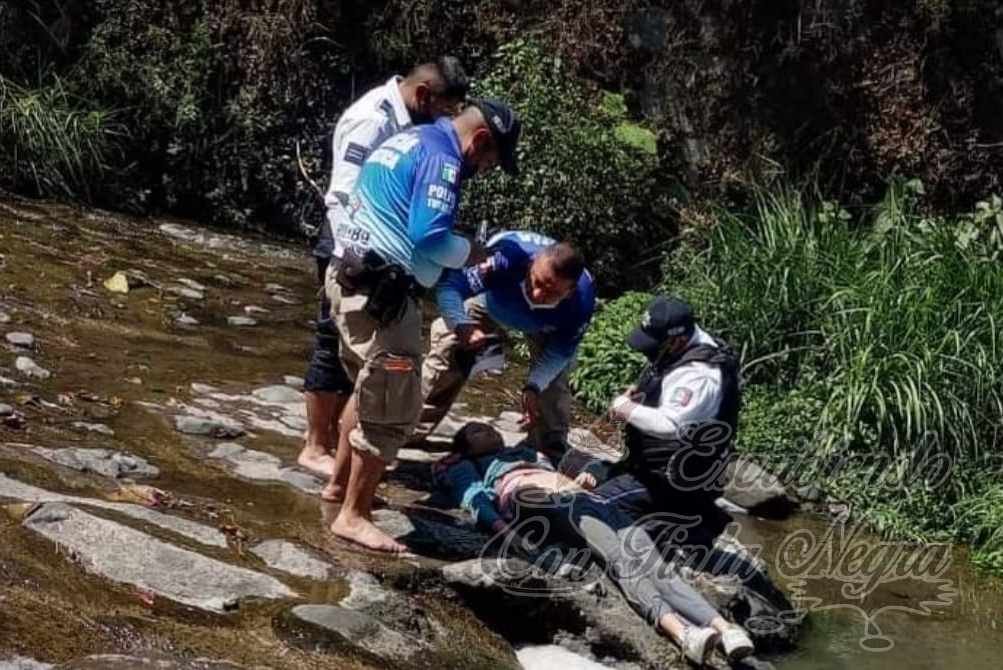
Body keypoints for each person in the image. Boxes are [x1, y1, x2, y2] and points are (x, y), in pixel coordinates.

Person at [322, 99, 522, 553]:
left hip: (348, 276)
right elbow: (429, 236)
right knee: (391, 406)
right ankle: (354, 514)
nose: (486, 169)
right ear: (482, 140)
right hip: (384, 295)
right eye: (490, 161)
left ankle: (337, 487)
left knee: (365, 389)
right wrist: (470, 251)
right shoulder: (444, 158)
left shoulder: (411, 137)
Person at [434, 422, 755, 665]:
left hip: (586, 499)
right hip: (541, 503)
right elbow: (474, 500)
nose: (483, 427)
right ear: (464, 446)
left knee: (654, 562)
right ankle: (683, 633)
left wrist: (588, 476)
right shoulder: (466, 466)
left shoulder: (525, 451)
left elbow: (586, 464)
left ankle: (724, 628)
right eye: (473, 430)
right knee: (620, 558)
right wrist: (507, 532)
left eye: (485, 426)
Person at [299, 57, 470, 477]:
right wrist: (356, 261)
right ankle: (315, 445)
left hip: (380, 252)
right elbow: (341, 195)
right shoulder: (373, 120)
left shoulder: (410, 120)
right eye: (444, 110)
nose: (445, 121)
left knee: (363, 356)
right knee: (331, 339)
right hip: (352, 246)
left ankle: (342, 450)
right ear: (424, 95)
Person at [416, 230, 595, 458]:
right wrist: (460, 324)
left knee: (553, 384)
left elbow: (558, 354)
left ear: (569, 292)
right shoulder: (506, 258)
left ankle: (549, 448)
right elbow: (450, 286)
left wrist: (533, 386)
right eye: (537, 282)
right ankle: (410, 427)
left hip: (544, 326)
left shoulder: (582, 301)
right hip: (490, 301)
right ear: (532, 263)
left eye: (552, 292)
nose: (538, 294)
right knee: (448, 352)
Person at [604, 296, 741, 547]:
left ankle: (687, 525)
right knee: (593, 479)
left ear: (677, 340)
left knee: (598, 510)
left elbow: (671, 425)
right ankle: (687, 519)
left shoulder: (699, 375)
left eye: (654, 344)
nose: (649, 351)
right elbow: (665, 381)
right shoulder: (687, 347)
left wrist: (624, 408)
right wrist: (642, 392)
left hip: (672, 483)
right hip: (653, 469)